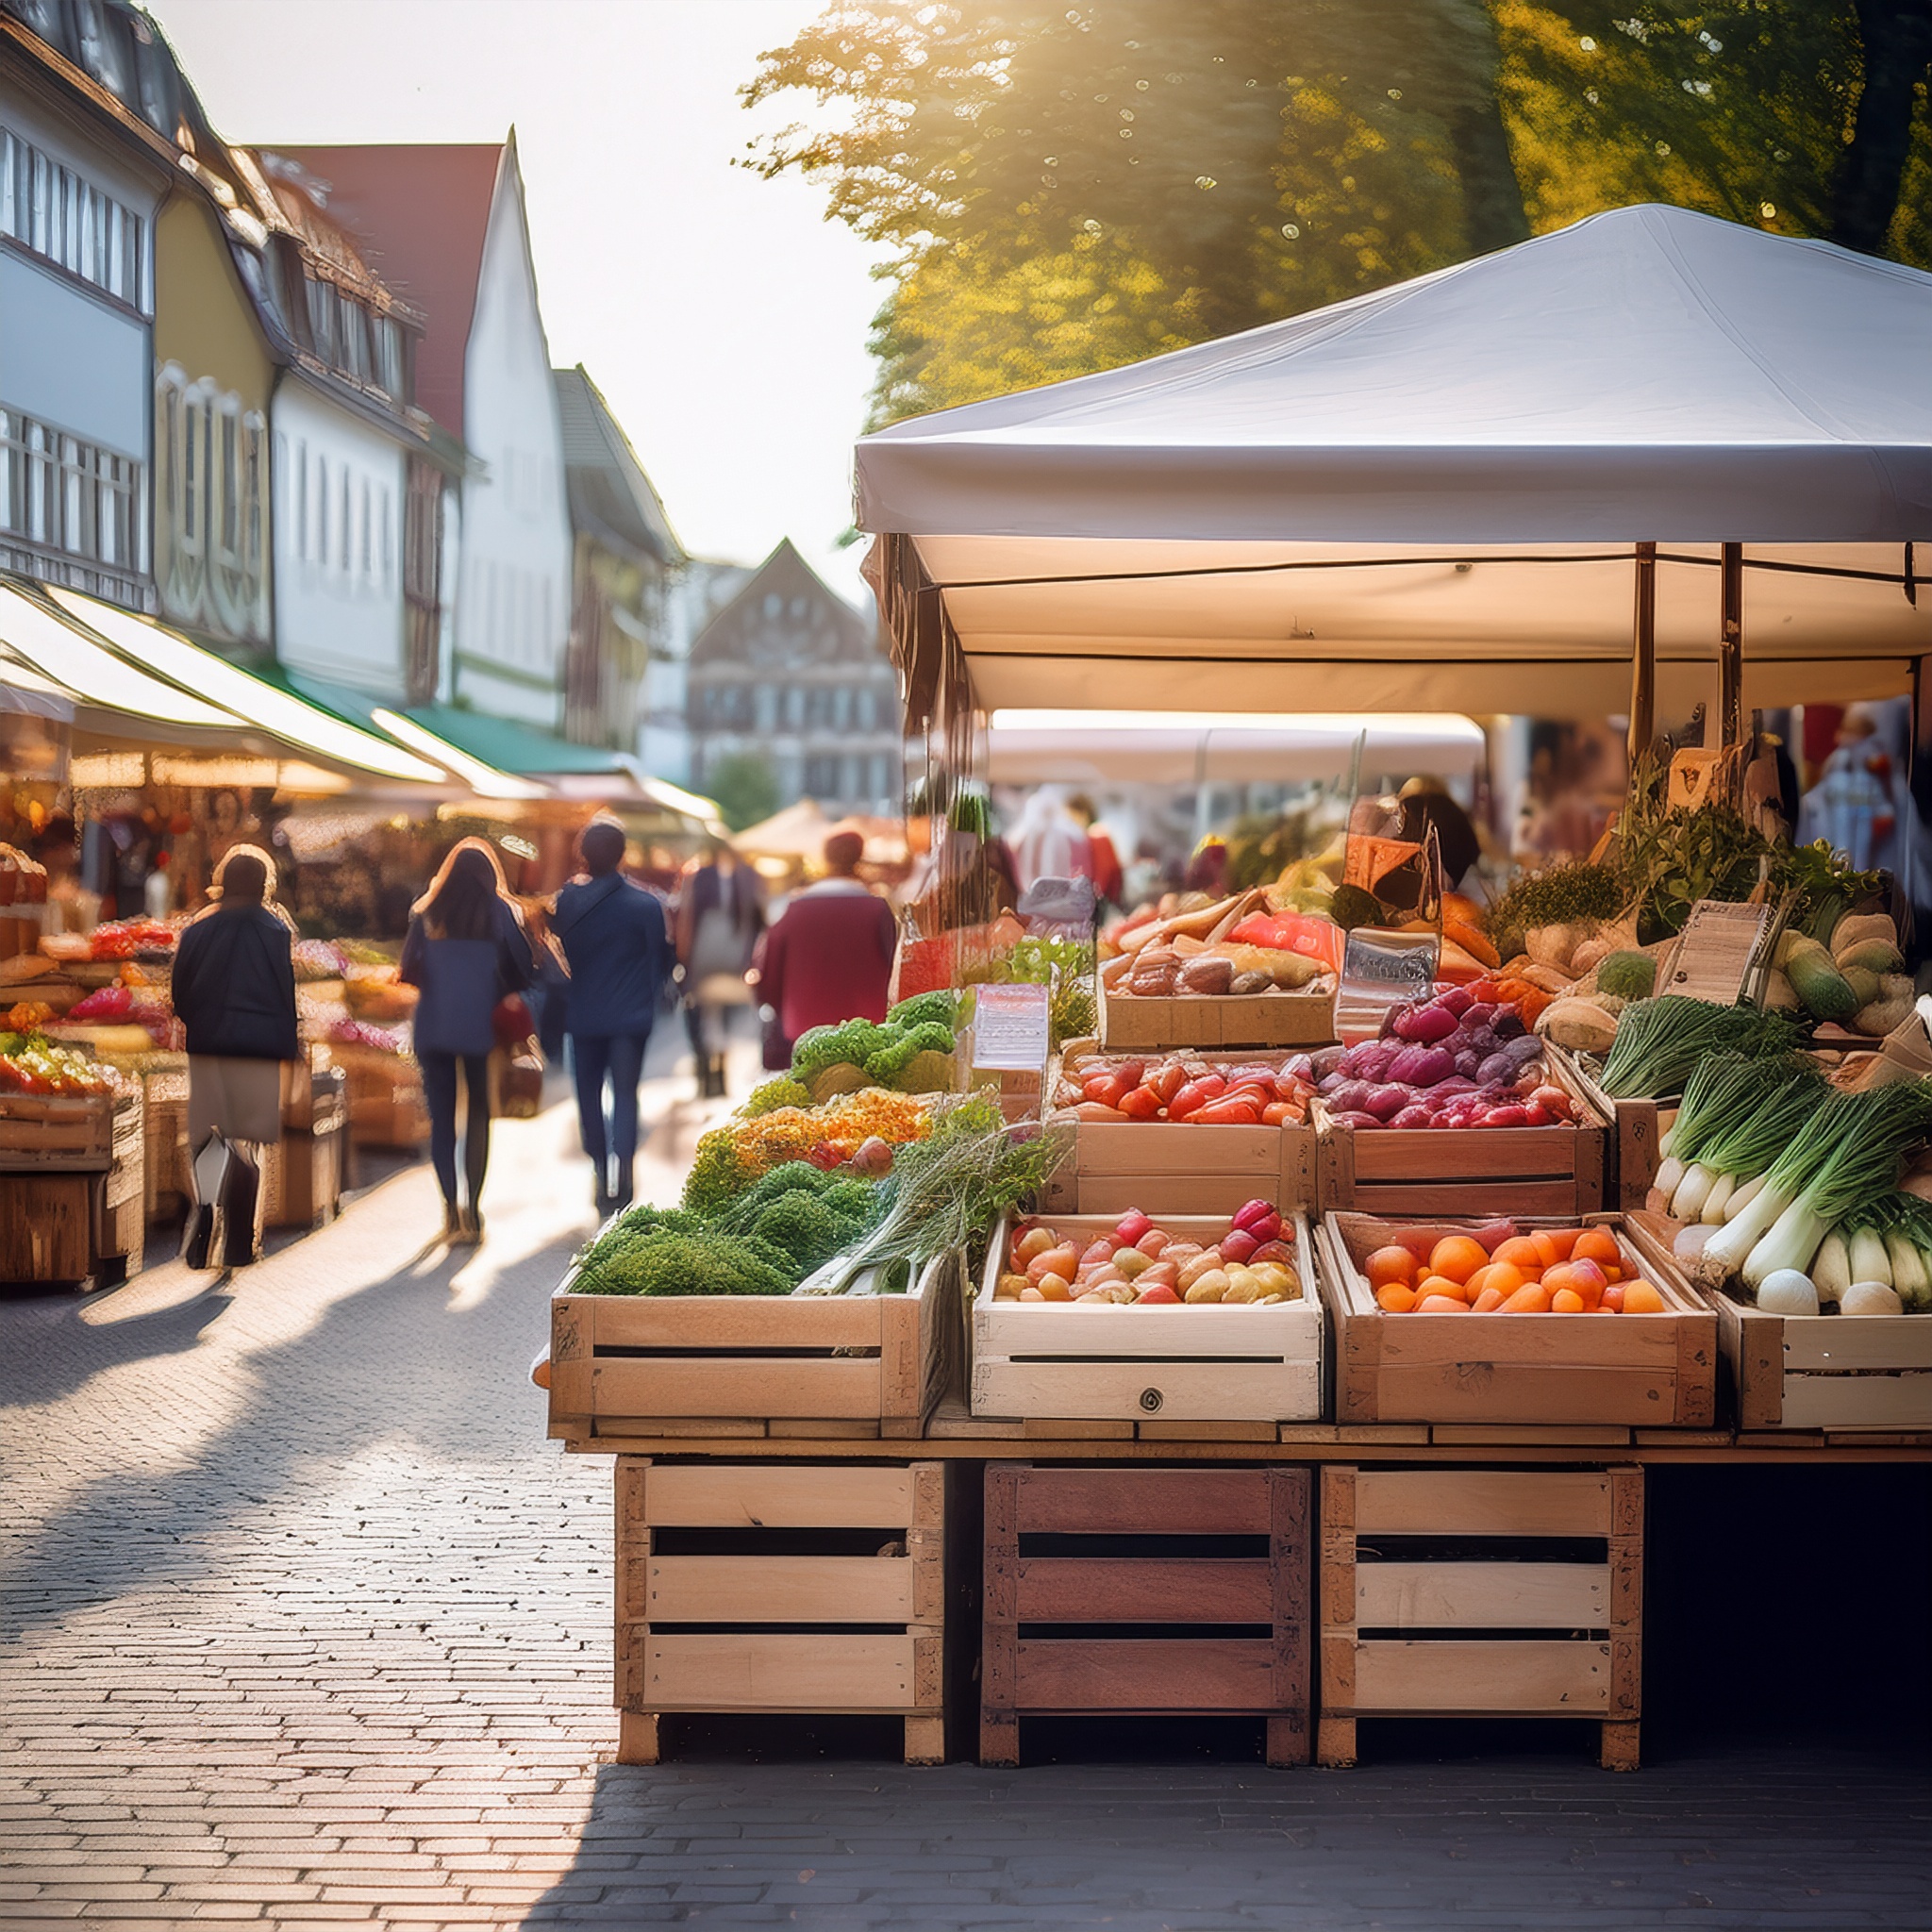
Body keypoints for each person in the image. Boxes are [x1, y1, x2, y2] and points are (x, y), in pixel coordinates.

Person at [399, 839, 537, 1245]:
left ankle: (449, 1208)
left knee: (442, 1119)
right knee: (479, 1113)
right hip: (480, 1026)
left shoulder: (427, 912)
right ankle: (473, 1212)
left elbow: (408, 970)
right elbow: (523, 970)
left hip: (434, 1027)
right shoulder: (501, 912)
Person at [170, 844, 298, 1270]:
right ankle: (241, 1241)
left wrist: (198, 1021)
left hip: (209, 1043)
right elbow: (285, 994)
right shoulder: (276, 931)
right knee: (246, 1140)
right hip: (260, 1047)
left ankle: (206, 1210)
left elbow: (180, 993)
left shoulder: (198, 929)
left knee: (210, 1134)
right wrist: (290, 1048)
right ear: (264, 885)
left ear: (223, 881)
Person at [552, 818, 673, 1218]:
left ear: (583, 853)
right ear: (623, 853)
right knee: (625, 1095)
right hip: (630, 1017)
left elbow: (556, 959)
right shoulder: (646, 905)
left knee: (587, 1097)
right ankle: (626, 1177)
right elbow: (660, 963)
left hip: (583, 1015)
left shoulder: (566, 903)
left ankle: (600, 1172)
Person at [755, 827, 896, 1066]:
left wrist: (785, 1009)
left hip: (804, 1029)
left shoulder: (794, 911)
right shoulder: (877, 909)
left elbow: (769, 978)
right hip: (867, 1032)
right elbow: (896, 967)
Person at [674, 837, 763, 1100]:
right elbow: (758, 917)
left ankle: (711, 1071)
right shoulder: (744, 877)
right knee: (717, 1013)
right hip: (727, 950)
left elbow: (687, 915)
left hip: (714, 950)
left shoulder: (704, 876)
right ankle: (715, 1072)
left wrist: (684, 956)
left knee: (710, 1012)